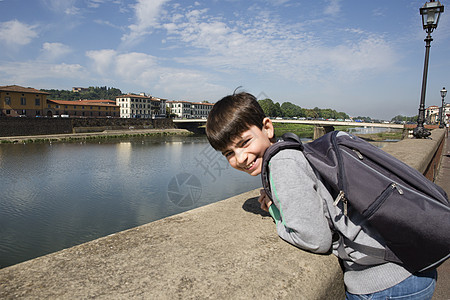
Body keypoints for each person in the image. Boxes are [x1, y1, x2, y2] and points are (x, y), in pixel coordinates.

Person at [206, 91, 437, 299]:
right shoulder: (292, 148)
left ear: (267, 128)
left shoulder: (281, 162)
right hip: (409, 269)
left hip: (385, 284)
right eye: (229, 153)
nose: (240, 158)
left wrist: (275, 212)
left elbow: (315, 240)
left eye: (245, 142)